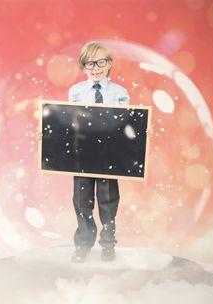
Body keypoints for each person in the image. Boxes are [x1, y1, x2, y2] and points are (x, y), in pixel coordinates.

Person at [68, 41, 130, 262]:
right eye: (89, 63)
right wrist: (50, 138)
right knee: (81, 200)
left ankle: (107, 244)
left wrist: (141, 133)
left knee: (108, 200)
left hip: (108, 157)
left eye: (100, 62)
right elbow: (69, 124)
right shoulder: (75, 92)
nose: (95, 68)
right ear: (83, 67)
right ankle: (83, 244)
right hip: (82, 156)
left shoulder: (119, 93)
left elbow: (126, 125)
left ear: (109, 64)